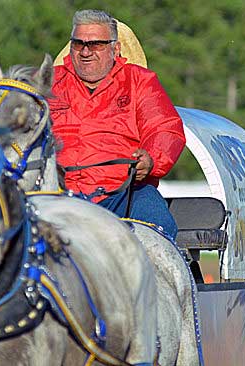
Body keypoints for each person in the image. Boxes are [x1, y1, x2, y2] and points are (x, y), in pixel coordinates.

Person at [49, 9, 186, 237]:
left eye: (96, 45)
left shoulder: (140, 81)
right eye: (78, 43)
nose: (85, 52)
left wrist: (151, 159)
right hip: (57, 193)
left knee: (158, 228)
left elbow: (164, 128)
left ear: (116, 49)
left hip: (125, 192)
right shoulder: (48, 82)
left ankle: (170, 272)